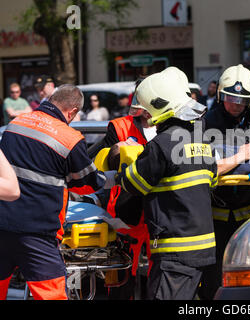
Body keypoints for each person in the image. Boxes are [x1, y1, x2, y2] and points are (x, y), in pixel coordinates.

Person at [116, 66, 218, 300]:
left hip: (175, 253)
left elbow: (133, 184)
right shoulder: (202, 142)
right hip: (204, 249)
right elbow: (211, 182)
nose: (145, 116)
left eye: (147, 110)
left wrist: (122, 165)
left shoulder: (161, 145)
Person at [0, 84, 107, 300]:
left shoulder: (15, 123)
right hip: (37, 234)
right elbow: (89, 183)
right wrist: (110, 178)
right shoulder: (69, 138)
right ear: (73, 112)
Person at [199, 64, 250, 300]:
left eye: (242, 100)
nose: (236, 104)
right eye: (230, 98)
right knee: (214, 275)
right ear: (220, 96)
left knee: (248, 273)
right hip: (215, 215)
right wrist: (240, 157)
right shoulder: (205, 124)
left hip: (248, 213)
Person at [92, 80, 157, 300]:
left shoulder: (173, 126)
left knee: (158, 278)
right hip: (124, 215)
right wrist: (115, 151)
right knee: (120, 281)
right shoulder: (119, 126)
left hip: (160, 213)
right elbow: (98, 164)